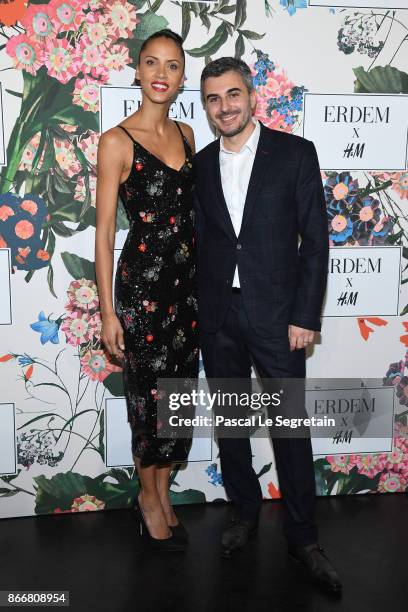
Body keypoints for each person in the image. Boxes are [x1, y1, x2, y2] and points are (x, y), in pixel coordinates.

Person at [194, 57, 342, 595]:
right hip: (220, 317)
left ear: (251, 96)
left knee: (289, 430)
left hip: (280, 320)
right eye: (213, 98)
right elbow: (207, 241)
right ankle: (243, 514)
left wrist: (306, 315)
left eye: (233, 95)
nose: (224, 107)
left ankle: (303, 538)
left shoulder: (294, 153)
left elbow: (316, 240)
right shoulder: (203, 164)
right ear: (206, 105)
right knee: (231, 426)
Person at [95, 29, 199, 551]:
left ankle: (161, 491)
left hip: (188, 293)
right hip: (142, 292)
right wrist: (107, 311)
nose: (161, 73)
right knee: (148, 402)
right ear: (137, 71)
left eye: (173, 65)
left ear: (182, 76)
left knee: (176, 400)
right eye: (152, 63)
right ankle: (148, 498)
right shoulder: (115, 141)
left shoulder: (187, 134)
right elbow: (107, 233)